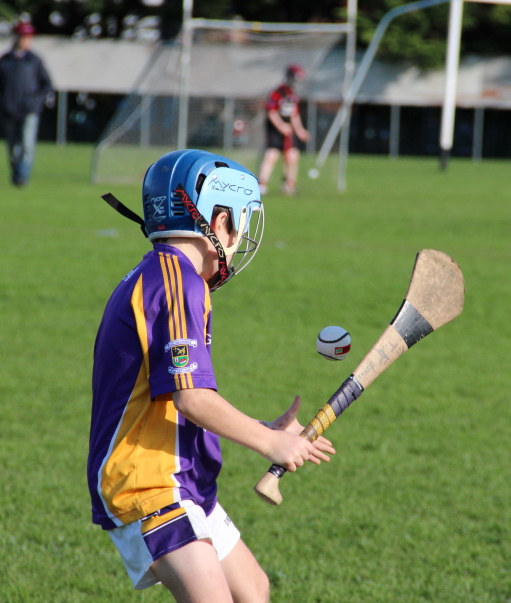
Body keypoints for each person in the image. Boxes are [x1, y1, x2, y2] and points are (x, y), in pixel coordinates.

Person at [87, 149, 335, 603]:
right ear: (217, 221)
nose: (239, 239)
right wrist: (272, 444)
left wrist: (266, 427)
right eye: (239, 222)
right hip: (147, 481)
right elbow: (190, 398)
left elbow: (177, 395)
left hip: (179, 476)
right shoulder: (177, 283)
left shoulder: (166, 275)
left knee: (252, 590)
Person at [0, 21, 52, 186]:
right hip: (8, 110)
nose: (26, 40)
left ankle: (22, 176)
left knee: (27, 144)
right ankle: (16, 174)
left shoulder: (34, 61)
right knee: (13, 145)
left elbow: (47, 85)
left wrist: (34, 101)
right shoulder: (5, 61)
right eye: (23, 37)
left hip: (29, 110)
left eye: (29, 37)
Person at [258, 64, 309, 196]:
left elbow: (294, 115)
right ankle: (262, 184)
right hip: (275, 130)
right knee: (272, 156)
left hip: (288, 131)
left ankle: (289, 184)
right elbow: (271, 112)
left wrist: (300, 131)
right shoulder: (277, 93)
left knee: (292, 156)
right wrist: (281, 127)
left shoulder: (293, 95)